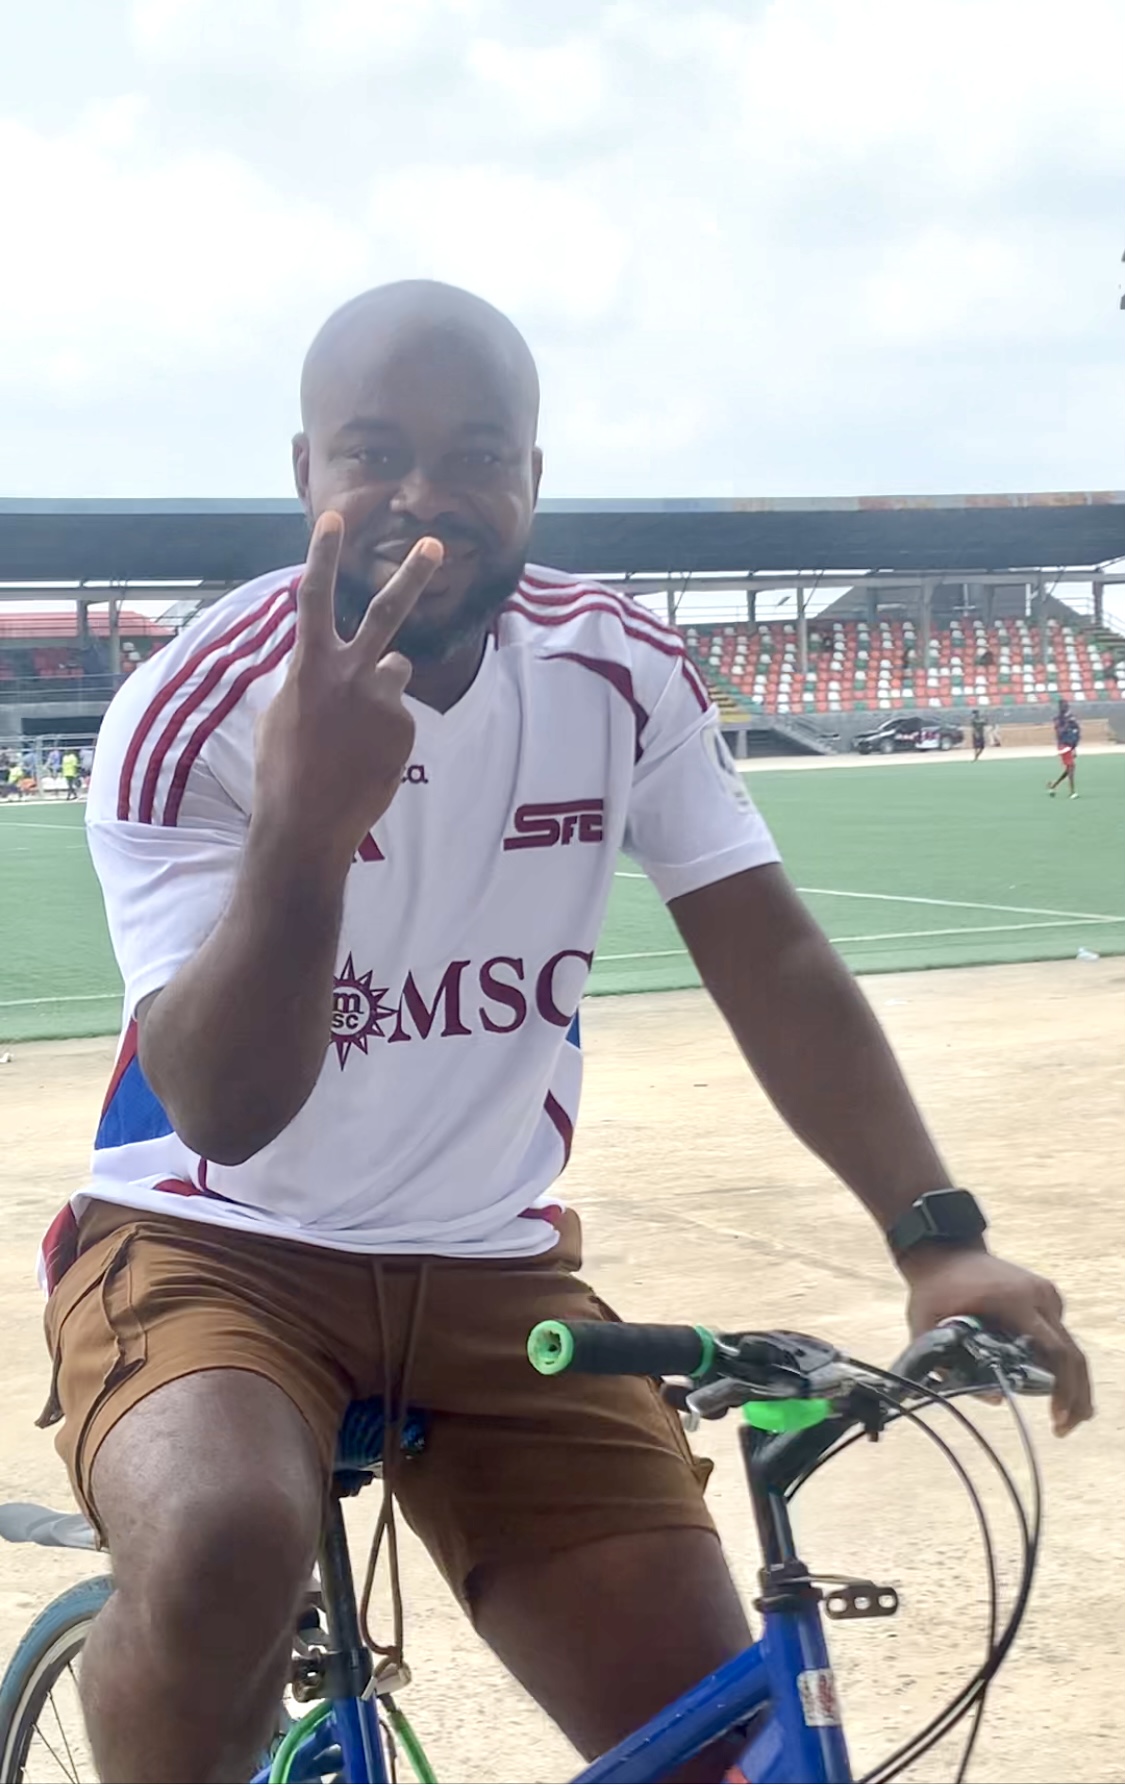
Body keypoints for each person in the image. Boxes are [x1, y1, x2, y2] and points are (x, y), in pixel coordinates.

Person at [41, 281, 1092, 1785]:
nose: (425, 494)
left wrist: (937, 1234)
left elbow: (770, 952)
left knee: (728, 1746)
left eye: (478, 453)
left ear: (533, 477)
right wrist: (302, 833)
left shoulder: (618, 668)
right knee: (221, 1545)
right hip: (216, 1248)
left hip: (487, 1264)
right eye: (372, 451)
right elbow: (219, 1106)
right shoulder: (190, 704)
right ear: (304, 476)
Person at [1047, 699, 1080, 799]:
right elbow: (1060, 732)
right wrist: (1067, 723)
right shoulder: (1058, 719)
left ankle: (1053, 786)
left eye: (1066, 705)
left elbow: (1076, 729)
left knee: (1069, 769)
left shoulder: (1070, 718)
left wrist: (1074, 747)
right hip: (1063, 745)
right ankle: (1072, 792)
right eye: (1064, 705)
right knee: (1071, 767)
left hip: (1069, 745)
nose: (1066, 707)